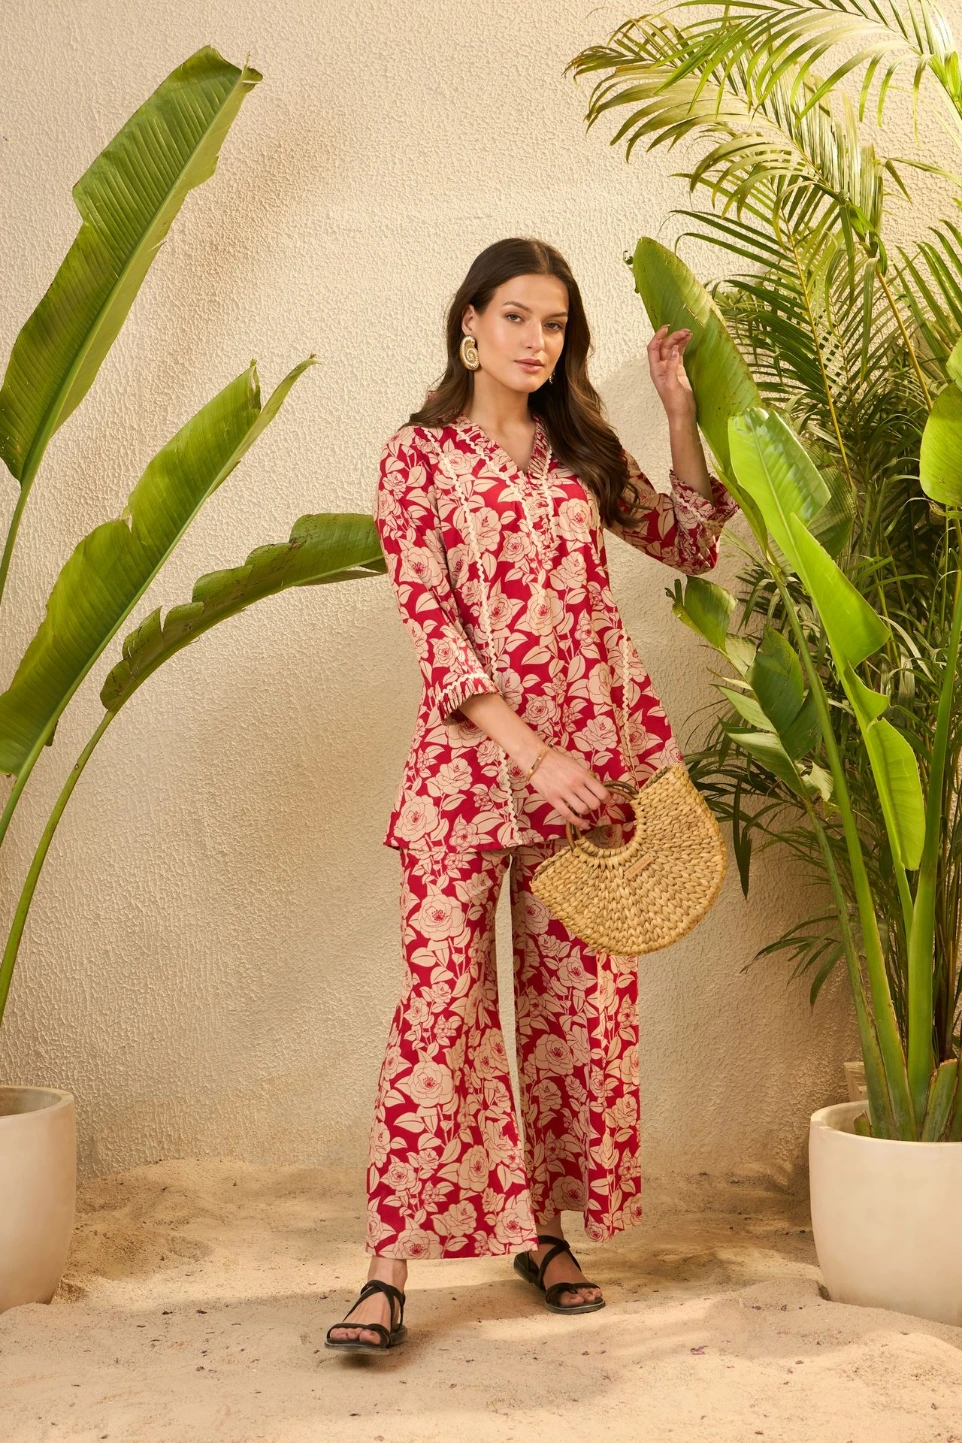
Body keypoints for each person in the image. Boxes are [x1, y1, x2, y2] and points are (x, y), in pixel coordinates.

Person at [326, 236, 739, 1352]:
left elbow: (692, 540)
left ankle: (544, 1235)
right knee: (437, 1017)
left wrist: (676, 411)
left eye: (553, 325)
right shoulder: (415, 461)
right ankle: (385, 1268)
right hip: (471, 780)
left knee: (573, 1022)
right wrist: (529, 755)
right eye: (515, 317)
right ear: (469, 321)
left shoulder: (576, 451)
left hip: (587, 782)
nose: (533, 341)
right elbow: (436, 630)